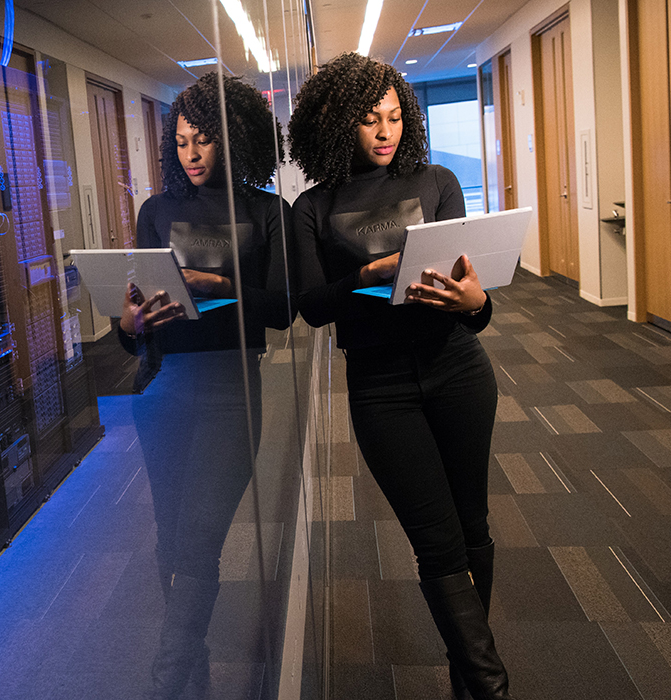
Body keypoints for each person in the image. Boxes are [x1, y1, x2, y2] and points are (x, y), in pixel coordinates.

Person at [286, 52, 512, 700]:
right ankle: (491, 685)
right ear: (336, 122)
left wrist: (481, 305)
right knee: (437, 543)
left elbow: (471, 302)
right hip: (380, 389)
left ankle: (467, 679)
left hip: (458, 370)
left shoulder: (437, 181)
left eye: (393, 118)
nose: (385, 132)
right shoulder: (314, 207)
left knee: (474, 527)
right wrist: (366, 276)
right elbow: (310, 306)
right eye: (369, 120)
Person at [115, 71, 291, 700]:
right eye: (183, 140)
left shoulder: (268, 211)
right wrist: (131, 323)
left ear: (235, 139)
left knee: (199, 540)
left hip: (230, 393)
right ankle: (189, 657)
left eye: (205, 140)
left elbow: (283, 310)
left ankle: (166, 681)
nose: (191, 153)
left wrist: (223, 288)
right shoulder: (156, 211)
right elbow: (131, 325)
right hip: (162, 389)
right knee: (172, 536)